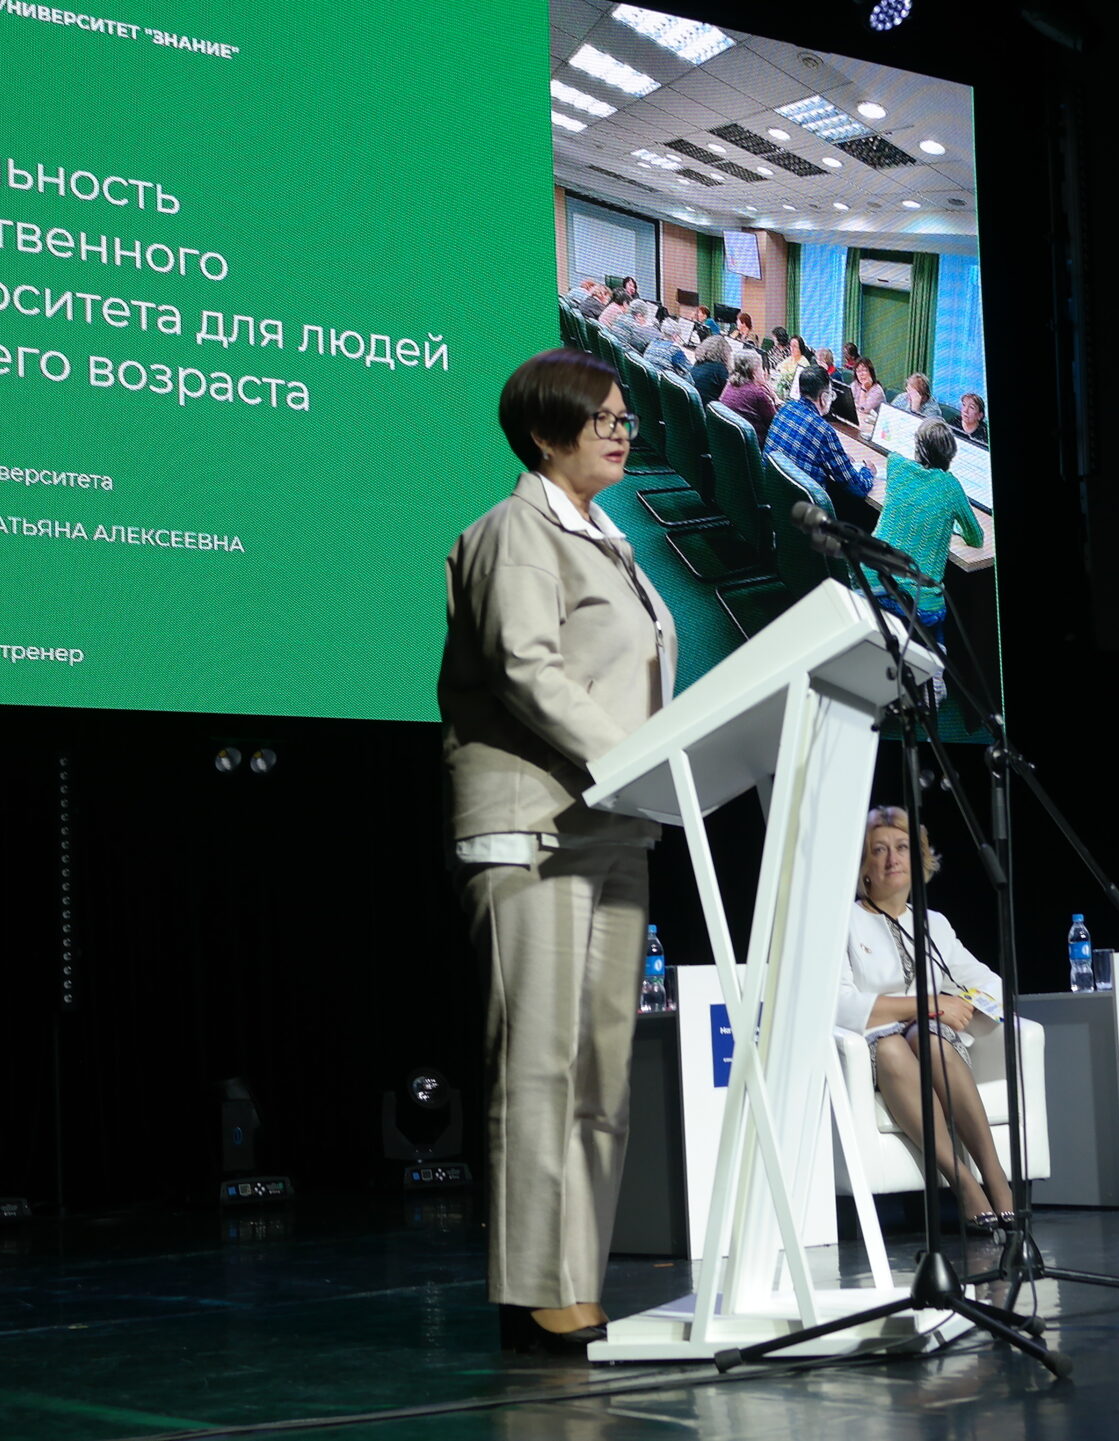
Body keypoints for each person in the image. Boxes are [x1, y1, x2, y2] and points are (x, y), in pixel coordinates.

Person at [439, 348, 677, 1356]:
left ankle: (576, 1275)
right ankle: (534, 1287)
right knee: (539, 1063)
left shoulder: (610, 541)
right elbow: (527, 669)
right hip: (533, 825)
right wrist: (640, 757)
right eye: (602, 419)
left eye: (626, 417)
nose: (621, 432)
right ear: (545, 434)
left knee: (601, 1072)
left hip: (616, 823)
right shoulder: (515, 531)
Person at [838, 806, 1018, 1229]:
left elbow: (991, 986)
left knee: (927, 1037)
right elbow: (843, 1005)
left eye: (902, 848)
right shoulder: (845, 922)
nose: (892, 859)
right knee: (894, 1046)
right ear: (863, 866)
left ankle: (995, 1175)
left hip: (934, 1046)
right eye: (879, 850)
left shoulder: (934, 925)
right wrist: (930, 1003)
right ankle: (963, 1183)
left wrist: (957, 1004)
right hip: (875, 1053)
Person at [868, 419, 982, 648]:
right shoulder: (951, 486)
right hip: (918, 605)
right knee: (932, 608)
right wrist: (950, 524)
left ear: (918, 446)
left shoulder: (896, 465)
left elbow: (912, 502)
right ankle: (938, 660)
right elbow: (976, 538)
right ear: (951, 455)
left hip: (870, 585)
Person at [765, 365, 877, 500]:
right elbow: (858, 487)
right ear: (823, 398)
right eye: (830, 395)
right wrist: (868, 471)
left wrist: (840, 457)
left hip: (774, 497)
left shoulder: (784, 409)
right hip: (804, 507)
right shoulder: (823, 431)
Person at [716, 349, 779, 447]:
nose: (763, 372)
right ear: (754, 371)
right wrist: (775, 398)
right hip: (753, 447)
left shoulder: (729, 384)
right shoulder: (758, 394)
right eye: (761, 368)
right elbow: (776, 424)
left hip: (729, 443)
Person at [688, 334, 731, 404]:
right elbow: (728, 394)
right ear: (725, 352)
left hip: (692, 403)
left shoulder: (698, 363)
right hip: (707, 407)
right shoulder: (720, 369)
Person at [849, 358, 886, 434]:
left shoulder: (877, 390)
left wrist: (863, 389)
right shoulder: (855, 385)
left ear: (871, 372)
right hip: (859, 423)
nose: (861, 374)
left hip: (873, 428)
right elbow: (849, 403)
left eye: (864, 370)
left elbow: (863, 409)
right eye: (858, 371)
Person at [772, 336, 813, 400]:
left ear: (800, 348)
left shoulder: (803, 362)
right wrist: (784, 372)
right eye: (791, 346)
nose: (792, 349)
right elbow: (778, 367)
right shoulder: (791, 358)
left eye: (795, 346)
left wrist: (784, 372)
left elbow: (793, 377)